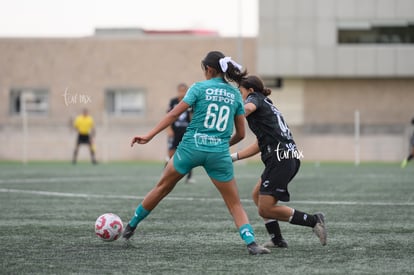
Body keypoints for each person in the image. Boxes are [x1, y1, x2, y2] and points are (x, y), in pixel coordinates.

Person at [123, 51, 270, 255]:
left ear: (209, 69)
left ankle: (130, 226)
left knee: (162, 188)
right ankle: (251, 243)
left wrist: (149, 135)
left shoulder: (199, 88)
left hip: (190, 148)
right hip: (218, 153)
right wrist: (219, 144)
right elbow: (241, 134)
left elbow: (174, 114)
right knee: (234, 203)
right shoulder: (235, 94)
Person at [231, 75, 327, 248]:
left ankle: (314, 220)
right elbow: (259, 144)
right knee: (257, 195)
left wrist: (228, 111)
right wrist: (234, 157)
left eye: (241, 92)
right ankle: (277, 239)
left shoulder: (255, 99)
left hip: (280, 159)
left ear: (250, 91)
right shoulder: (267, 104)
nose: (240, 95)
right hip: (285, 157)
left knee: (265, 208)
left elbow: (247, 108)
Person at [166, 83, 195, 183]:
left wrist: (192, 130)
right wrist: (169, 129)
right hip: (175, 131)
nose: (182, 93)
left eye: (184, 91)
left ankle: (189, 176)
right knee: (171, 152)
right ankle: (167, 173)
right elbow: (169, 115)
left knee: (188, 154)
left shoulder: (190, 101)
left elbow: (192, 116)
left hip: (186, 132)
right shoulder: (173, 102)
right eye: (180, 91)